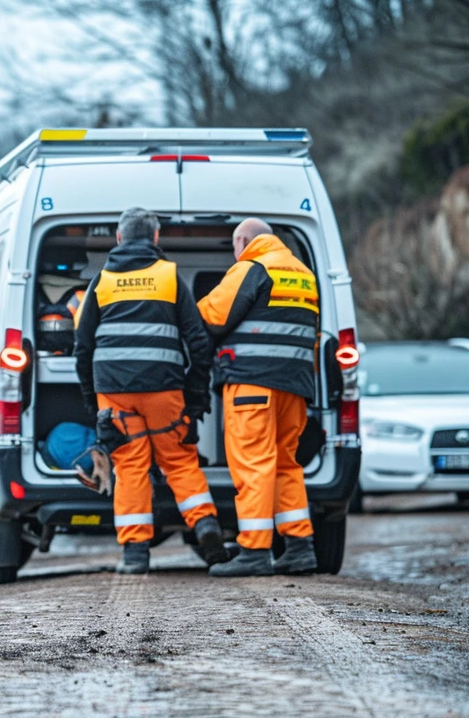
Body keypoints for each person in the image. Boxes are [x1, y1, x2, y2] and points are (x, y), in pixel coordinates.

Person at [73, 207, 227, 574]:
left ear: (119, 238)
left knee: (130, 467)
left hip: (115, 393)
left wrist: (92, 401)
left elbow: (82, 346)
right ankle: (205, 525)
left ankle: (136, 554)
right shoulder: (170, 277)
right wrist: (195, 395)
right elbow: (199, 342)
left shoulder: (101, 281)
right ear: (156, 238)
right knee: (179, 461)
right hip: (165, 390)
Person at [197, 218, 319, 578]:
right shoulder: (303, 273)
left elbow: (211, 315)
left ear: (242, 240)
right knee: (285, 464)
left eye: (236, 247)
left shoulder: (252, 267)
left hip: (253, 385)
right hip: (294, 386)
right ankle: (299, 547)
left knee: (253, 463)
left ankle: (254, 549)